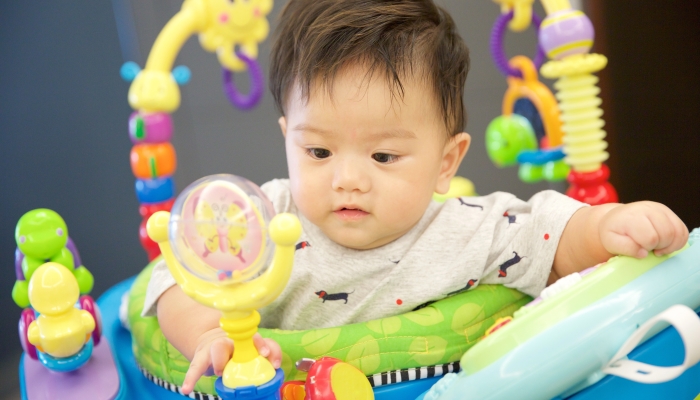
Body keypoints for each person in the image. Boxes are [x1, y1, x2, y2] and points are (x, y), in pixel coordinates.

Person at [141, 0, 689, 394]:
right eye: (318, 152)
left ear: (446, 162)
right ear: (288, 136)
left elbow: (548, 237)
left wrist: (606, 226)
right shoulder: (261, 221)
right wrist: (209, 332)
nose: (347, 179)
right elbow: (177, 274)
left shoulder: (465, 229)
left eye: (383, 157)